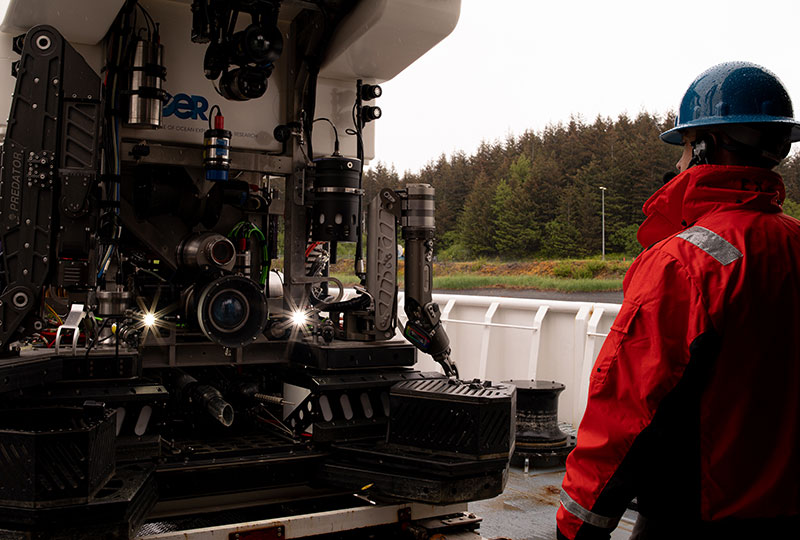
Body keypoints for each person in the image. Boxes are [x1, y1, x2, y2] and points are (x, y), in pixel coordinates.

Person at [556, 61, 800, 539]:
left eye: (685, 146)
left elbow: (627, 409)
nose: (679, 161)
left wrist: (577, 525)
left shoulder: (684, 263)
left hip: (699, 515)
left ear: (706, 145)